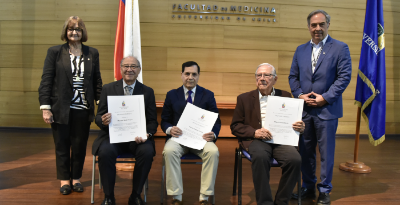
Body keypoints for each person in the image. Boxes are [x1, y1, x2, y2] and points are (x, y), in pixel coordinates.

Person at [288, 10, 352, 205]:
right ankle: (307, 187)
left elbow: (344, 77)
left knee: (326, 153)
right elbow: (293, 77)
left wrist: (326, 97)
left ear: (328, 25)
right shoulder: (300, 50)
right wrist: (299, 94)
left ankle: (324, 189)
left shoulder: (340, 48)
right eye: (314, 25)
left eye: (321, 24)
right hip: (305, 111)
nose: (318, 28)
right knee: (305, 151)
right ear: (308, 27)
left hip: (327, 110)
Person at [38, 16, 102, 195]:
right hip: (60, 109)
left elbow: (97, 81)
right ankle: (65, 180)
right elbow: (46, 81)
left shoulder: (92, 53)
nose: (74, 32)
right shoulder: (55, 52)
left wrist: (101, 103)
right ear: (65, 32)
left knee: (80, 145)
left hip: (83, 108)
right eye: (71, 29)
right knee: (62, 145)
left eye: (78, 30)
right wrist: (46, 107)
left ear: (83, 33)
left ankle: (76, 178)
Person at [231, 63, 304, 205]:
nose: (262, 78)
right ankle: (265, 202)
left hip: (281, 139)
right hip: (256, 140)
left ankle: (281, 201)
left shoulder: (285, 96)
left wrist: (300, 126)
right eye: (259, 75)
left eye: (267, 75)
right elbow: (235, 126)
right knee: (260, 156)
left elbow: (294, 121)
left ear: (275, 79)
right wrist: (254, 132)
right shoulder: (244, 99)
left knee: (295, 159)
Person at [92, 56, 158, 205]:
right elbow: (98, 117)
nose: (130, 69)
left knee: (147, 152)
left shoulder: (148, 92)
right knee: (105, 152)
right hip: (113, 136)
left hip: (137, 139)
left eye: (133, 66)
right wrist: (103, 120)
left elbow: (153, 121)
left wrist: (147, 134)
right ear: (120, 69)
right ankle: (109, 196)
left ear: (139, 70)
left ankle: (135, 195)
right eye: (126, 66)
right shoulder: (108, 88)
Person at [161, 61, 221, 205]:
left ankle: (204, 197)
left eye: (194, 74)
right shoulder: (171, 95)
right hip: (178, 139)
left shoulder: (208, 95)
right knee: (169, 151)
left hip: (201, 140)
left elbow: (216, 121)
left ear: (198, 76)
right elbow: (164, 120)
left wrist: (213, 134)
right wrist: (170, 129)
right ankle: (176, 197)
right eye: (187, 74)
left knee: (213, 152)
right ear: (181, 75)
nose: (190, 77)